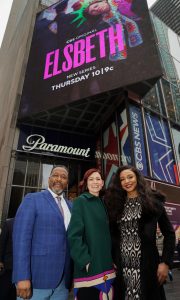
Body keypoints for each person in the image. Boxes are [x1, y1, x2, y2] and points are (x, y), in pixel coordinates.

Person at [104, 165, 175, 300]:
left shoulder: (153, 202)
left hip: (147, 267)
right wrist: (112, 259)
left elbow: (170, 234)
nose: (127, 181)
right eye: (122, 179)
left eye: (130, 177)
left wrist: (165, 262)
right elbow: (112, 236)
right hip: (123, 267)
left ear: (137, 178)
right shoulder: (115, 205)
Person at [13, 165, 72, 300]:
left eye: (63, 177)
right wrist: (22, 277)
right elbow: (21, 240)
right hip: (36, 280)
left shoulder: (71, 206)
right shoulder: (32, 199)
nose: (59, 179)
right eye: (55, 175)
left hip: (62, 284)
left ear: (67, 182)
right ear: (49, 178)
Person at [68, 168, 116, 300]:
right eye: (91, 179)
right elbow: (74, 235)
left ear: (102, 183)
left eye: (98, 179)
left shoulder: (103, 203)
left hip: (107, 266)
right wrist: (85, 260)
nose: (95, 182)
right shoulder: (81, 201)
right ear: (86, 183)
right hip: (90, 268)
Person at [0, 218, 16, 300]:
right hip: (8, 266)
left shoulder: (9, 223)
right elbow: (2, 244)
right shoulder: (9, 223)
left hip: (11, 266)